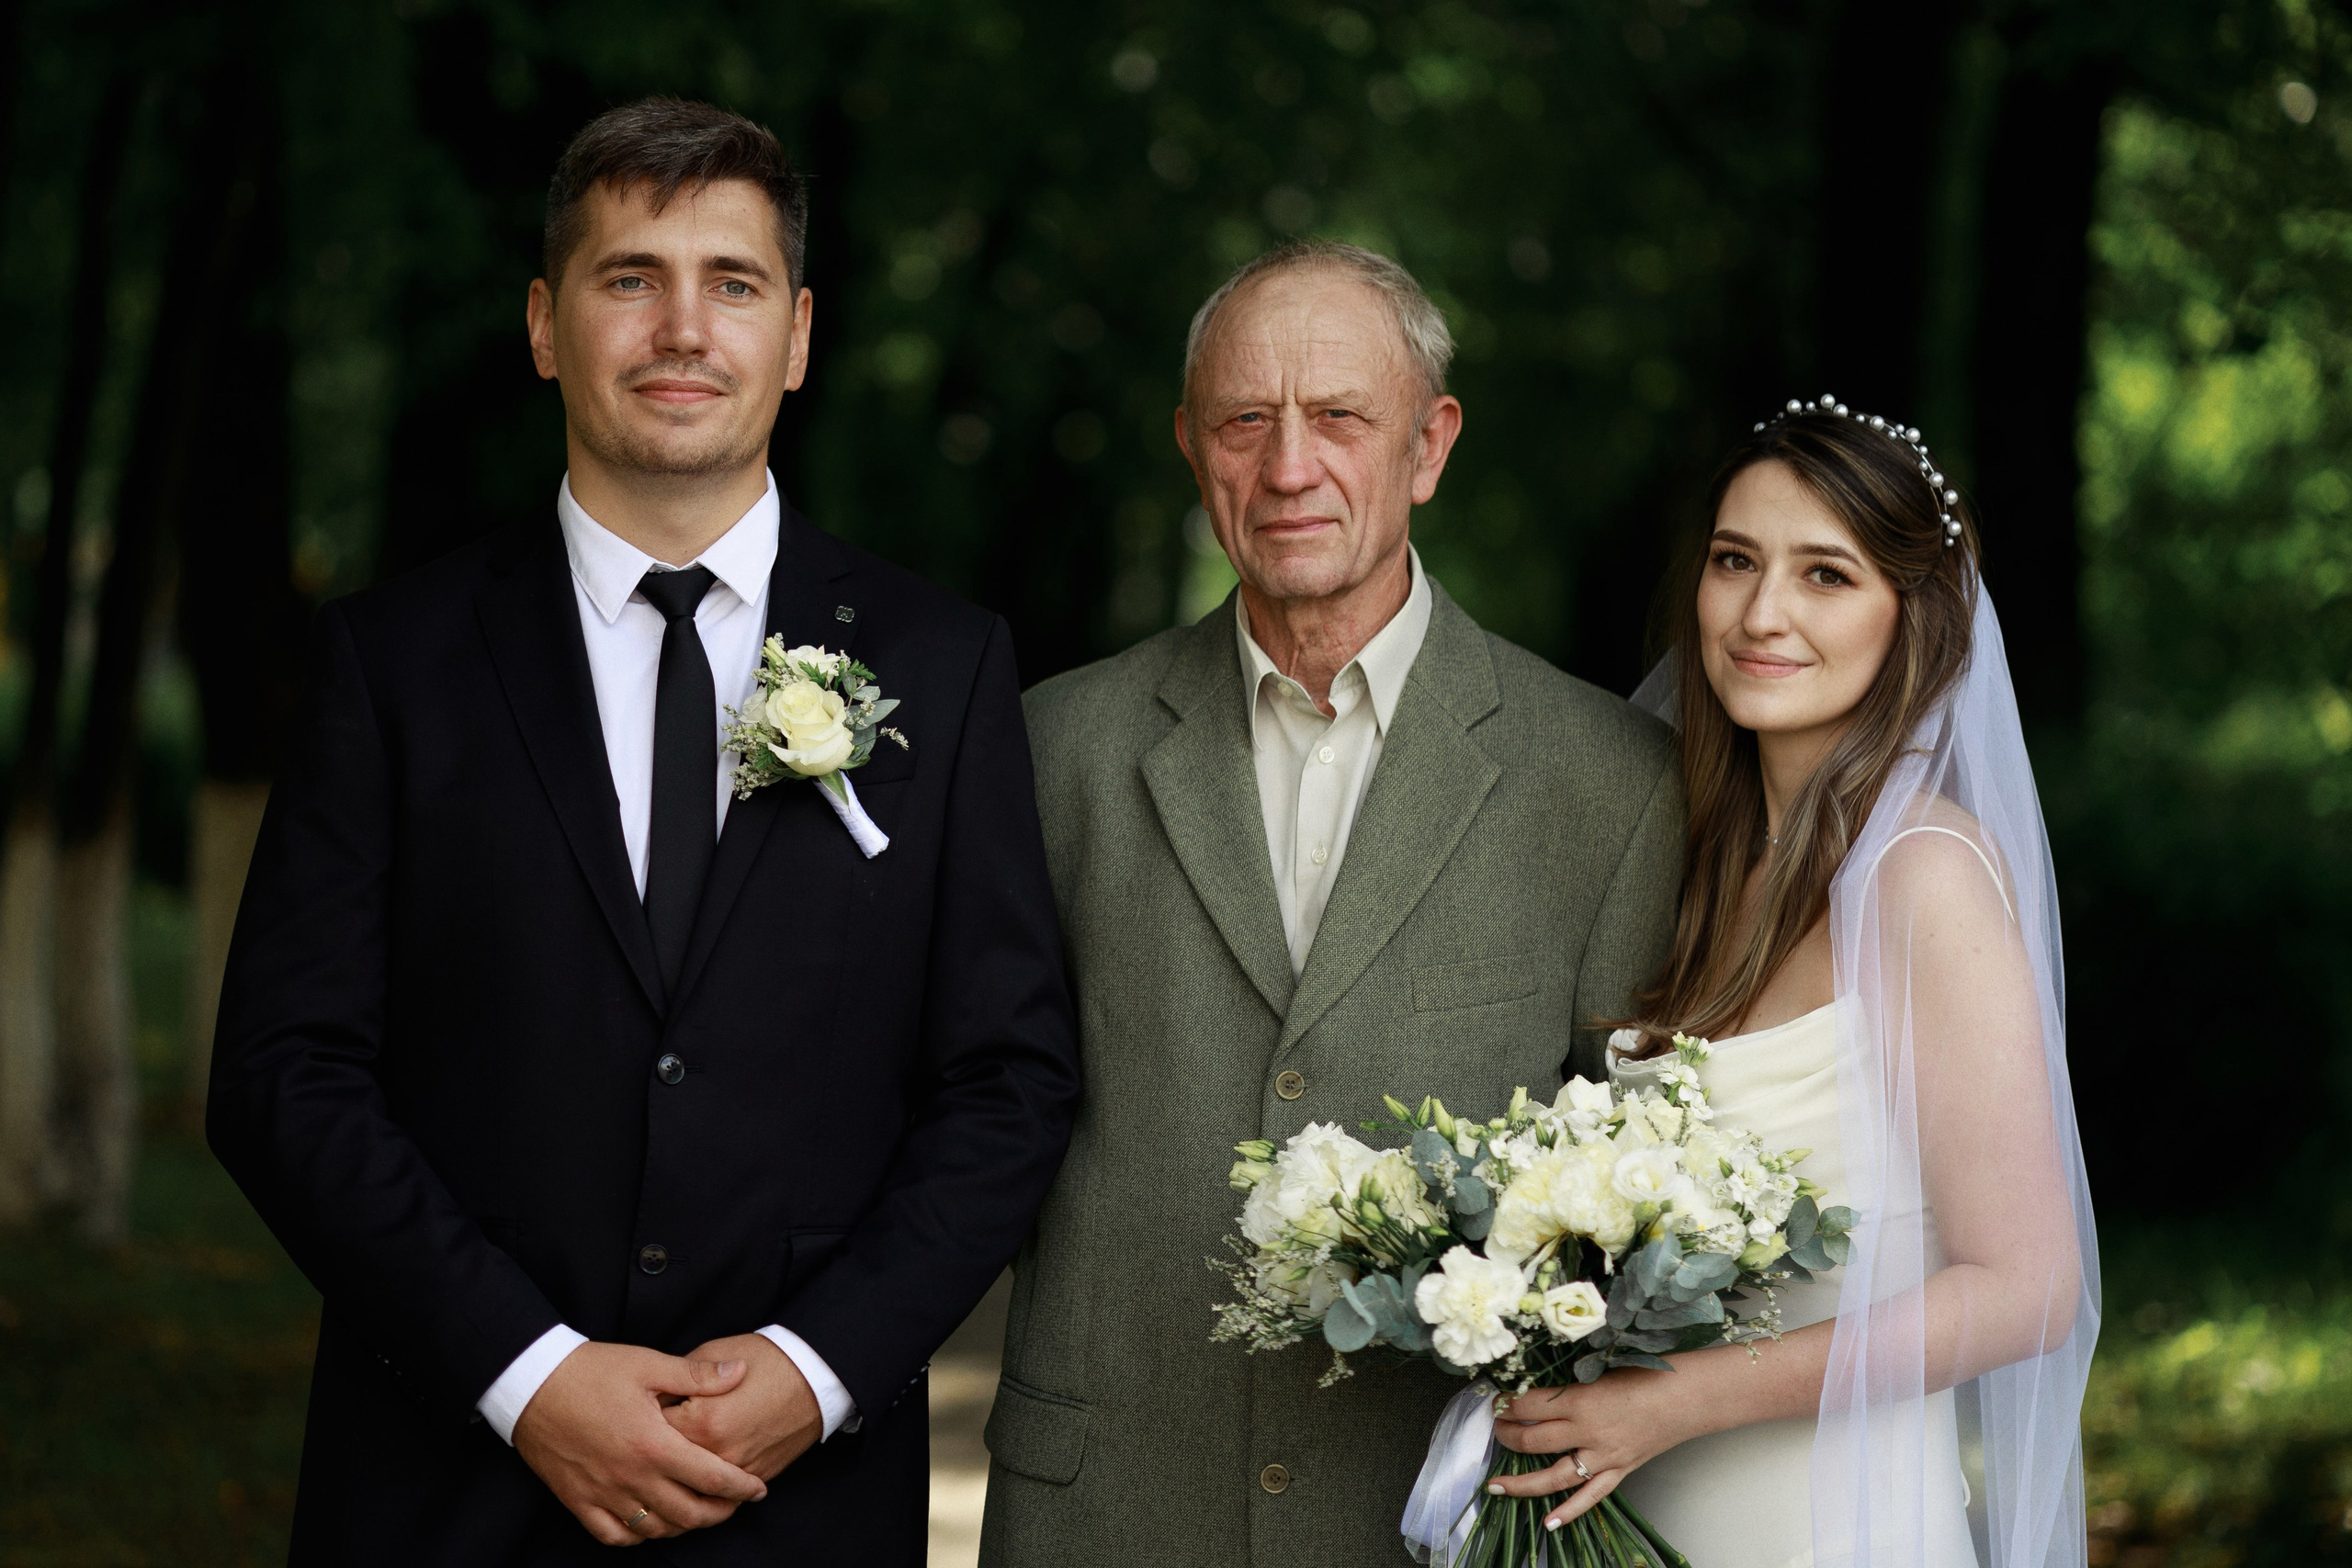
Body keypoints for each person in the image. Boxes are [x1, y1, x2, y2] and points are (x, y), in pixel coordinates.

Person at [206, 98, 1080, 1564]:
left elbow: (1008, 1078)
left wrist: (817, 1366)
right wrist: (525, 1370)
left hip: (796, 1496)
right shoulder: (392, 660)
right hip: (444, 1483)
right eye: (631, 278)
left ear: (796, 338)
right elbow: (285, 1074)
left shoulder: (946, 662)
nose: (684, 327)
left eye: (731, 284)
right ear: (547, 324)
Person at [981, 240, 1685, 1567]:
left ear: (1429, 445)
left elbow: (1649, 1202)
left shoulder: (1608, 781)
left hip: (1434, 1513)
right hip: (1110, 1507)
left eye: (1341, 418)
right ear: (1193, 448)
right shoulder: (1046, 750)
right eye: (1246, 420)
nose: (1289, 466)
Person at [1488, 400, 2099, 1567]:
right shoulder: (1693, 868)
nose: (1762, 614)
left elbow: (2028, 1286)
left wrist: (1675, 1400)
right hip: (1643, 1513)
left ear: (1912, 617)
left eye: (1825, 575)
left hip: (1831, 1521)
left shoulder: (1926, 876)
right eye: (1735, 562)